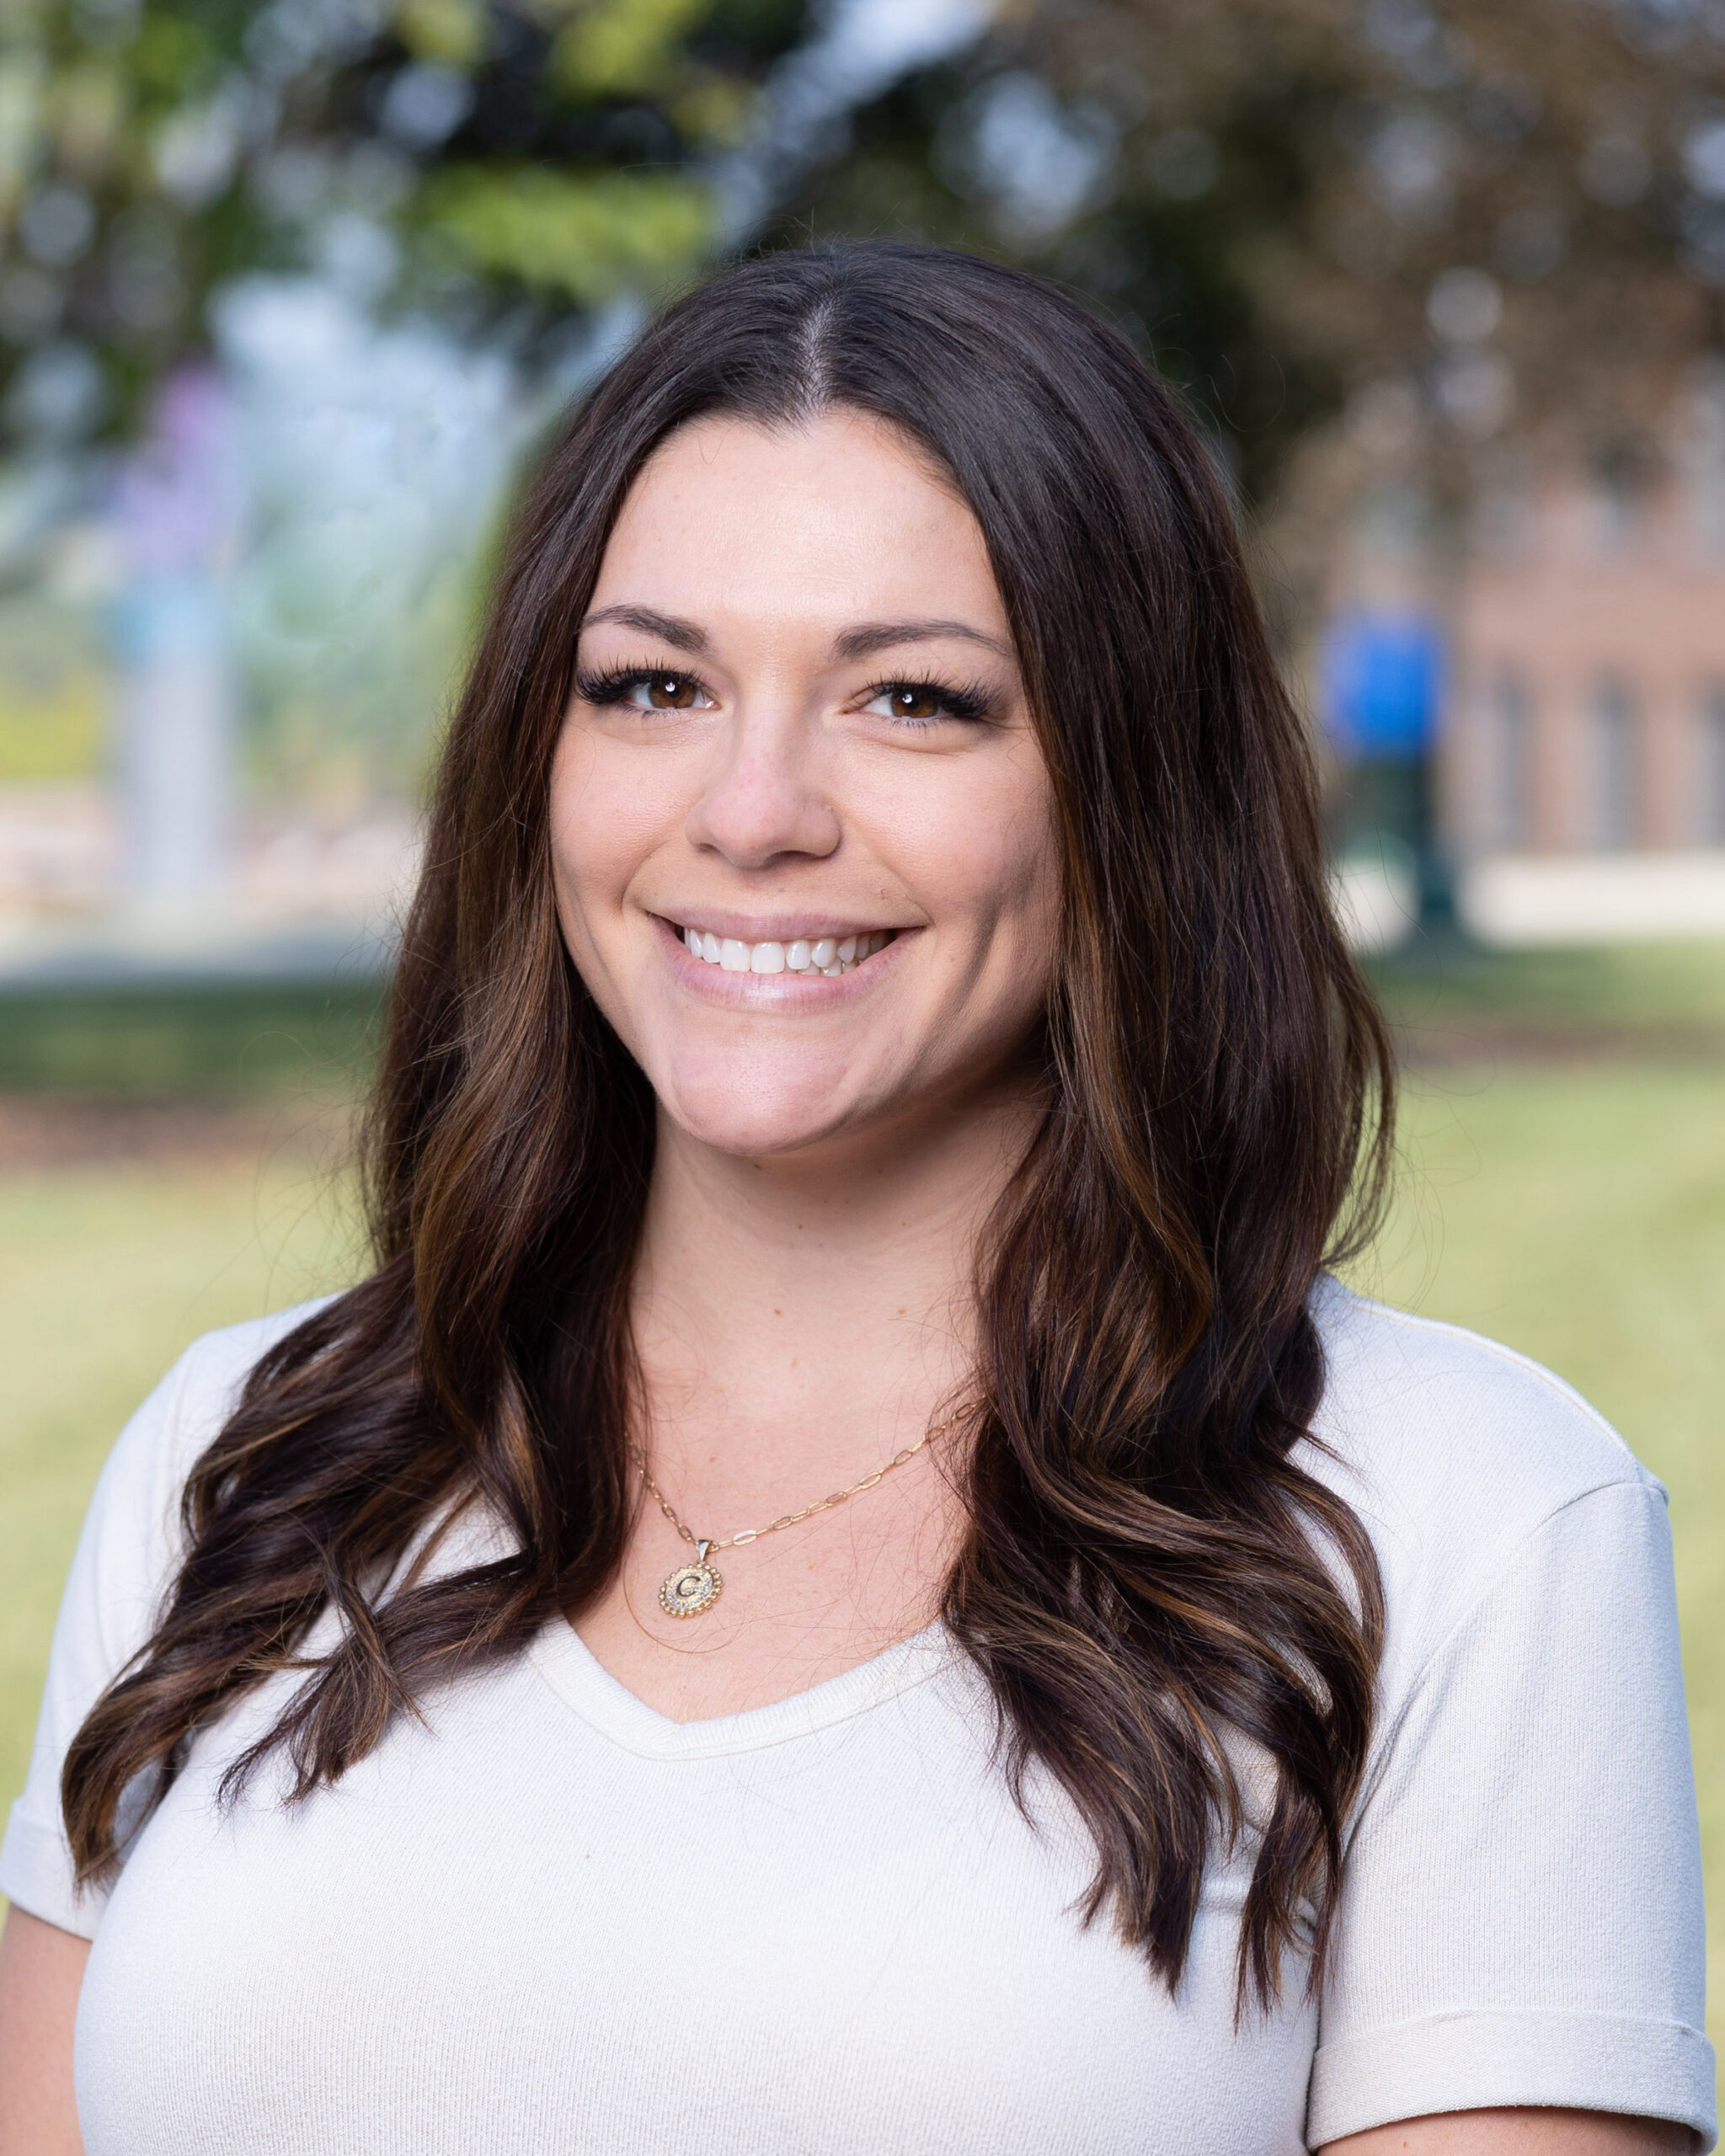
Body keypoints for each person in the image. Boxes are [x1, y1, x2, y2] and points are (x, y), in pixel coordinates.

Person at [0, 243, 1712, 2156]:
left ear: (1123, 787)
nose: (751, 809)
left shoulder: (1464, 1522)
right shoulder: (249, 1454)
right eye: (652, 683)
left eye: (910, 698)